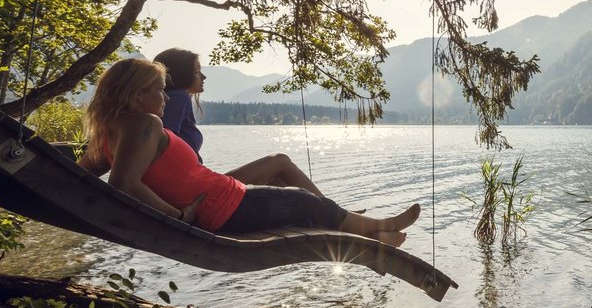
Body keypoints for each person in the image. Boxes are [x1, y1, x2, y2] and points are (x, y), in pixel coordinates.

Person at [79, 58, 420, 246]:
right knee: (304, 202)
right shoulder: (145, 125)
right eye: (159, 91)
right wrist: (178, 216)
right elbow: (123, 184)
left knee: (294, 192)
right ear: (137, 96)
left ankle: (374, 235)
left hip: (222, 199)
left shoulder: (108, 133)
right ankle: (377, 227)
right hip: (222, 208)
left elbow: (83, 175)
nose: (166, 98)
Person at [153, 47, 325, 195]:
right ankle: (334, 214)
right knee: (280, 161)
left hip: (194, 183)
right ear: (182, 75)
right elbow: (165, 148)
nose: (203, 77)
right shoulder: (178, 98)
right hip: (194, 188)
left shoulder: (174, 100)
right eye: (197, 72)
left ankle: (325, 215)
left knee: (279, 181)